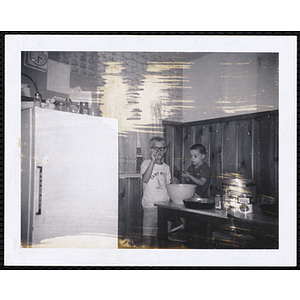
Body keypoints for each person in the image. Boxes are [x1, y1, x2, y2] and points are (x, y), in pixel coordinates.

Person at [168, 143, 211, 243]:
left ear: (203, 156)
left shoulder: (205, 168)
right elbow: (189, 183)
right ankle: (179, 227)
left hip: (200, 197)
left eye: (195, 156)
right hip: (191, 194)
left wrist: (190, 176)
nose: (192, 159)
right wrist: (184, 178)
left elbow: (201, 182)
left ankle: (181, 227)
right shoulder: (192, 167)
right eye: (191, 156)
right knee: (175, 201)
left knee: (181, 205)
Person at [140, 136, 178, 247]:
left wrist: (173, 184)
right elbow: (145, 179)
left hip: (164, 207)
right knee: (147, 239)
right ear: (150, 150)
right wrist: (153, 161)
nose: (158, 151)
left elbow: (168, 187)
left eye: (161, 148)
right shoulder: (146, 164)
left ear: (165, 150)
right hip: (150, 206)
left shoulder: (166, 167)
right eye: (155, 148)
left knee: (160, 238)